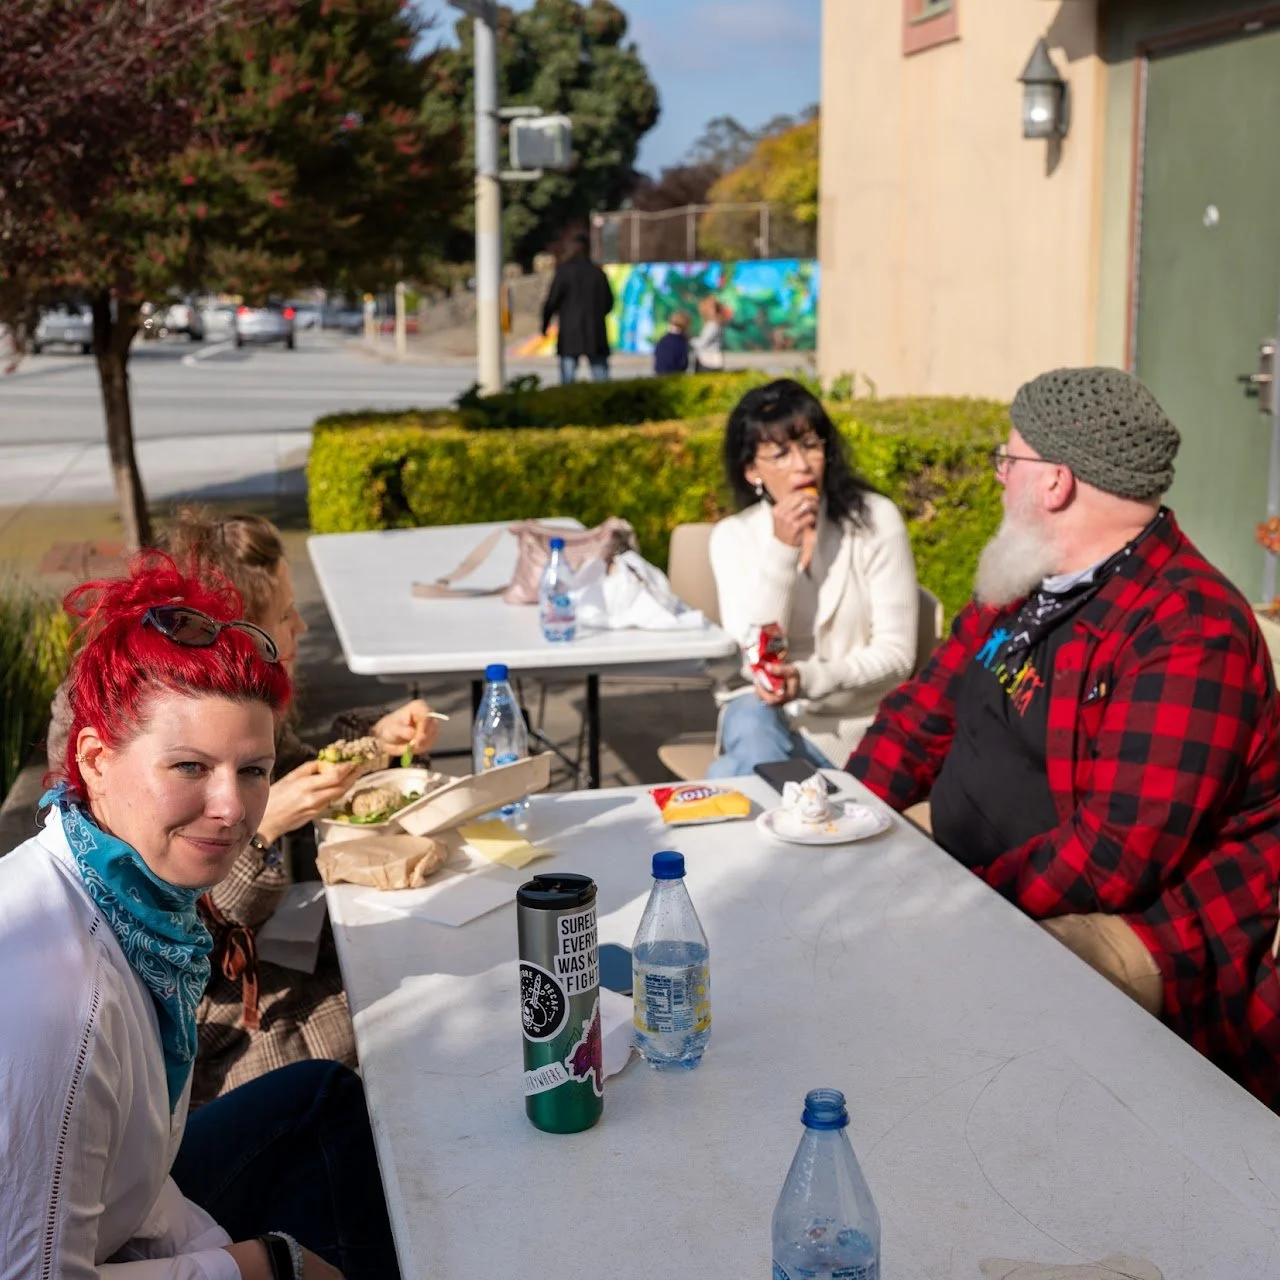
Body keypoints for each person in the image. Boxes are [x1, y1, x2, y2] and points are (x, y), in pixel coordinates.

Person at [847, 366, 1280, 1106]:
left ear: (1054, 483)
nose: (998, 478)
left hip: (1140, 928)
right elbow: (923, 714)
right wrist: (841, 811)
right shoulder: (1029, 575)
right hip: (987, 877)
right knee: (836, 926)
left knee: (940, 994)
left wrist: (955, 902)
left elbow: (1116, 856)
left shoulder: (1189, 627)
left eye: (1006, 461)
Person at [0, 554, 400, 1278]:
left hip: (122, 1220)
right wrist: (260, 1266)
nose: (232, 809)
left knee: (320, 1097)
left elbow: (141, 1188)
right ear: (93, 759)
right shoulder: (62, 1003)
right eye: (189, 767)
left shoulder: (137, 910)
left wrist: (217, 1248)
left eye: (253, 770)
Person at [47, 509, 441, 1106]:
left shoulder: (228, 704)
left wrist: (372, 740)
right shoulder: (134, 730)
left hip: (268, 961)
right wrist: (267, 828)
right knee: (414, 1027)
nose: (302, 627)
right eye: (285, 613)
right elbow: (174, 927)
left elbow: (296, 763)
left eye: (249, 771)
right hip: (221, 1022)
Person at [707, 379, 919, 777]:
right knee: (751, 718)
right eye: (781, 454)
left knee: (725, 778)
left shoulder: (875, 520)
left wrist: (810, 678)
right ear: (752, 470)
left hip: (855, 733)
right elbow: (755, 658)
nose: (802, 466)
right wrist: (782, 551)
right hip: (764, 719)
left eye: (810, 445)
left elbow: (897, 655)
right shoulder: (732, 538)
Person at [541, 232, 615, 384]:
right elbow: (609, 302)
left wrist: (545, 324)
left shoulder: (564, 272)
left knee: (567, 380)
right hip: (595, 331)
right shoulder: (598, 273)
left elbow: (552, 301)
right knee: (601, 378)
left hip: (570, 332)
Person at [690, 295, 726, 373]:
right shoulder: (717, 323)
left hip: (707, 362)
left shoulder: (713, 325)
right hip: (712, 361)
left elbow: (701, 343)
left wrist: (689, 339)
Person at [653, 310, 691, 375]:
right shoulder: (679, 340)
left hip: (660, 373)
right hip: (674, 375)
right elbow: (683, 362)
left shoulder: (663, 339)